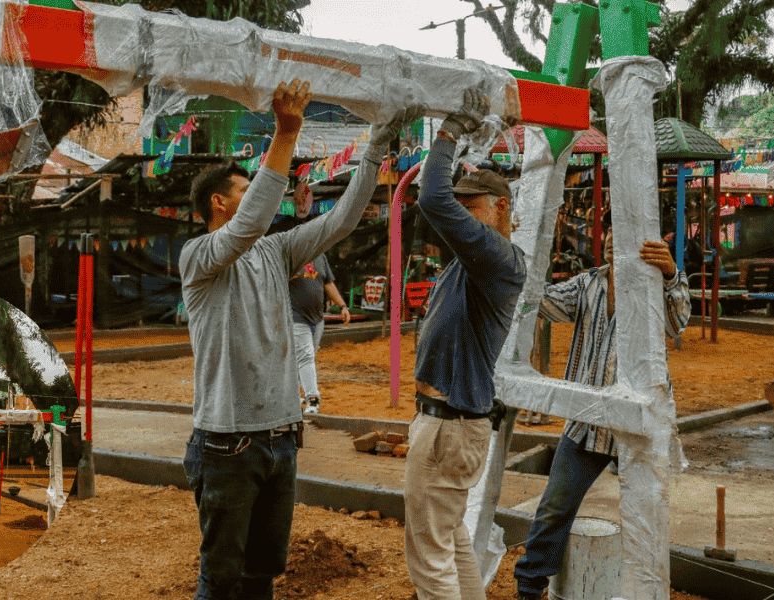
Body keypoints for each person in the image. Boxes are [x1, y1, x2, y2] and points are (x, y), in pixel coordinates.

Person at [179, 78, 422, 600]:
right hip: (228, 446)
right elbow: (248, 225)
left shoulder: (277, 251)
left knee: (262, 577)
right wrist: (286, 133)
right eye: (245, 192)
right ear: (220, 204)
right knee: (220, 582)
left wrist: (377, 145)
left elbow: (343, 219)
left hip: (280, 440)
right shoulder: (199, 258)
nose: (261, 202)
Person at [512, 212, 690, 600]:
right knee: (555, 506)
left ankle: (645, 589)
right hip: (588, 422)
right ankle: (530, 586)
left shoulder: (655, 285)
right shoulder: (588, 284)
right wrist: (513, 267)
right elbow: (543, 302)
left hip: (639, 427)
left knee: (646, 514)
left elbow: (678, 325)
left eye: (622, 231)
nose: (612, 238)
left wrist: (672, 275)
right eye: (609, 231)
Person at [405, 89, 526, 600]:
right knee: (451, 541)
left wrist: (451, 130)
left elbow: (431, 199)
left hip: (450, 425)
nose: (459, 214)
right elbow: (435, 205)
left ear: (499, 208)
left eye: (470, 205)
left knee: (430, 557)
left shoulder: (496, 257)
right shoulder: (474, 261)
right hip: (453, 423)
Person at [289, 252, 350, 414]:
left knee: (305, 357)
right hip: (295, 316)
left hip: (317, 318)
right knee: (305, 356)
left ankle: (292, 395)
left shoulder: (320, 257)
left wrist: (342, 306)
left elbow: (328, 283)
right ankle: (313, 399)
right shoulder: (292, 253)